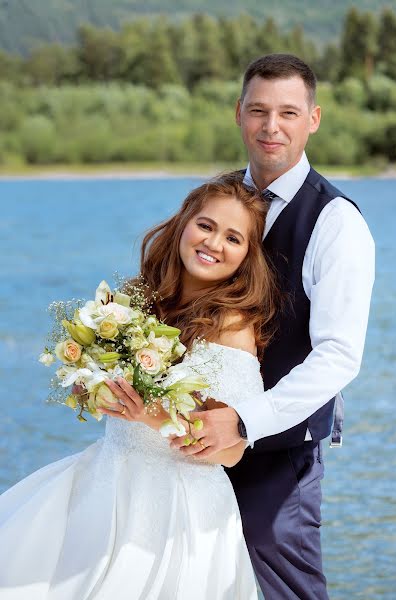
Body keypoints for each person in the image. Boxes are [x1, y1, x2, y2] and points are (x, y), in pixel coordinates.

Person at [0, 173, 280, 599]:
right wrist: (91, 386)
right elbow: (106, 389)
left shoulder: (232, 326)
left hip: (178, 508)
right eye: (205, 225)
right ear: (184, 223)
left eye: (233, 238)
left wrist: (147, 414)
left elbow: (232, 451)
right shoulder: (140, 299)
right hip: (107, 481)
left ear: (247, 255)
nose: (214, 243)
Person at [170, 54, 376, 599]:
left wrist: (242, 423)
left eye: (288, 112)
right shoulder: (213, 204)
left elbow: (338, 356)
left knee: (283, 582)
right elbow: (165, 298)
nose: (271, 126)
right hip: (184, 446)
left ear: (313, 119)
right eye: (258, 110)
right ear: (238, 114)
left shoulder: (336, 222)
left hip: (278, 454)